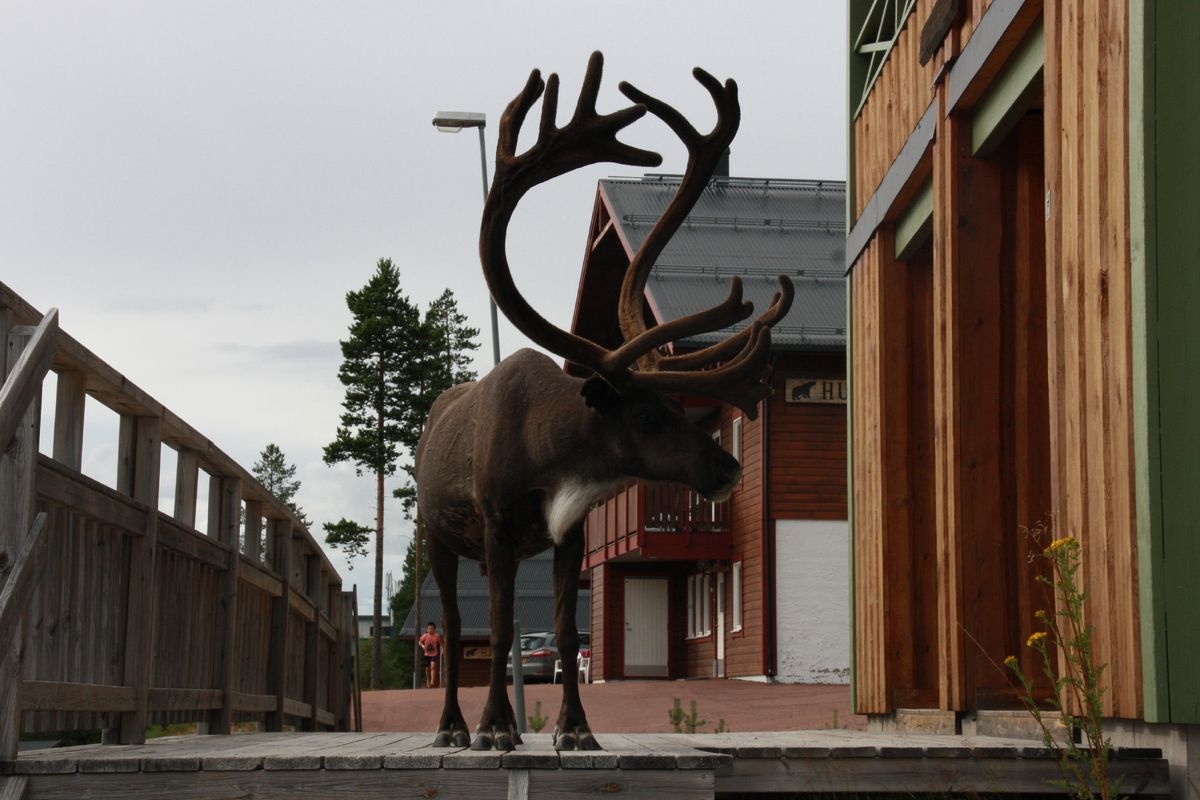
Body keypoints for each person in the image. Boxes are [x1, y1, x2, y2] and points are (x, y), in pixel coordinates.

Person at [418, 621, 443, 688]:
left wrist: (443, 650)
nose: (430, 630)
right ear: (427, 629)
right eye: (429, 628)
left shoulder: (437, 636)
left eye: (431, 629)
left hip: (434, 654)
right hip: (426, 655)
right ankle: (428, 680)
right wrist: (423, 646)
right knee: (427, 669)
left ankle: (432, 681)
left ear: (434, 629)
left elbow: (441, 643)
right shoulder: (425, 636)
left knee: (433, 667)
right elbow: (419, 642)